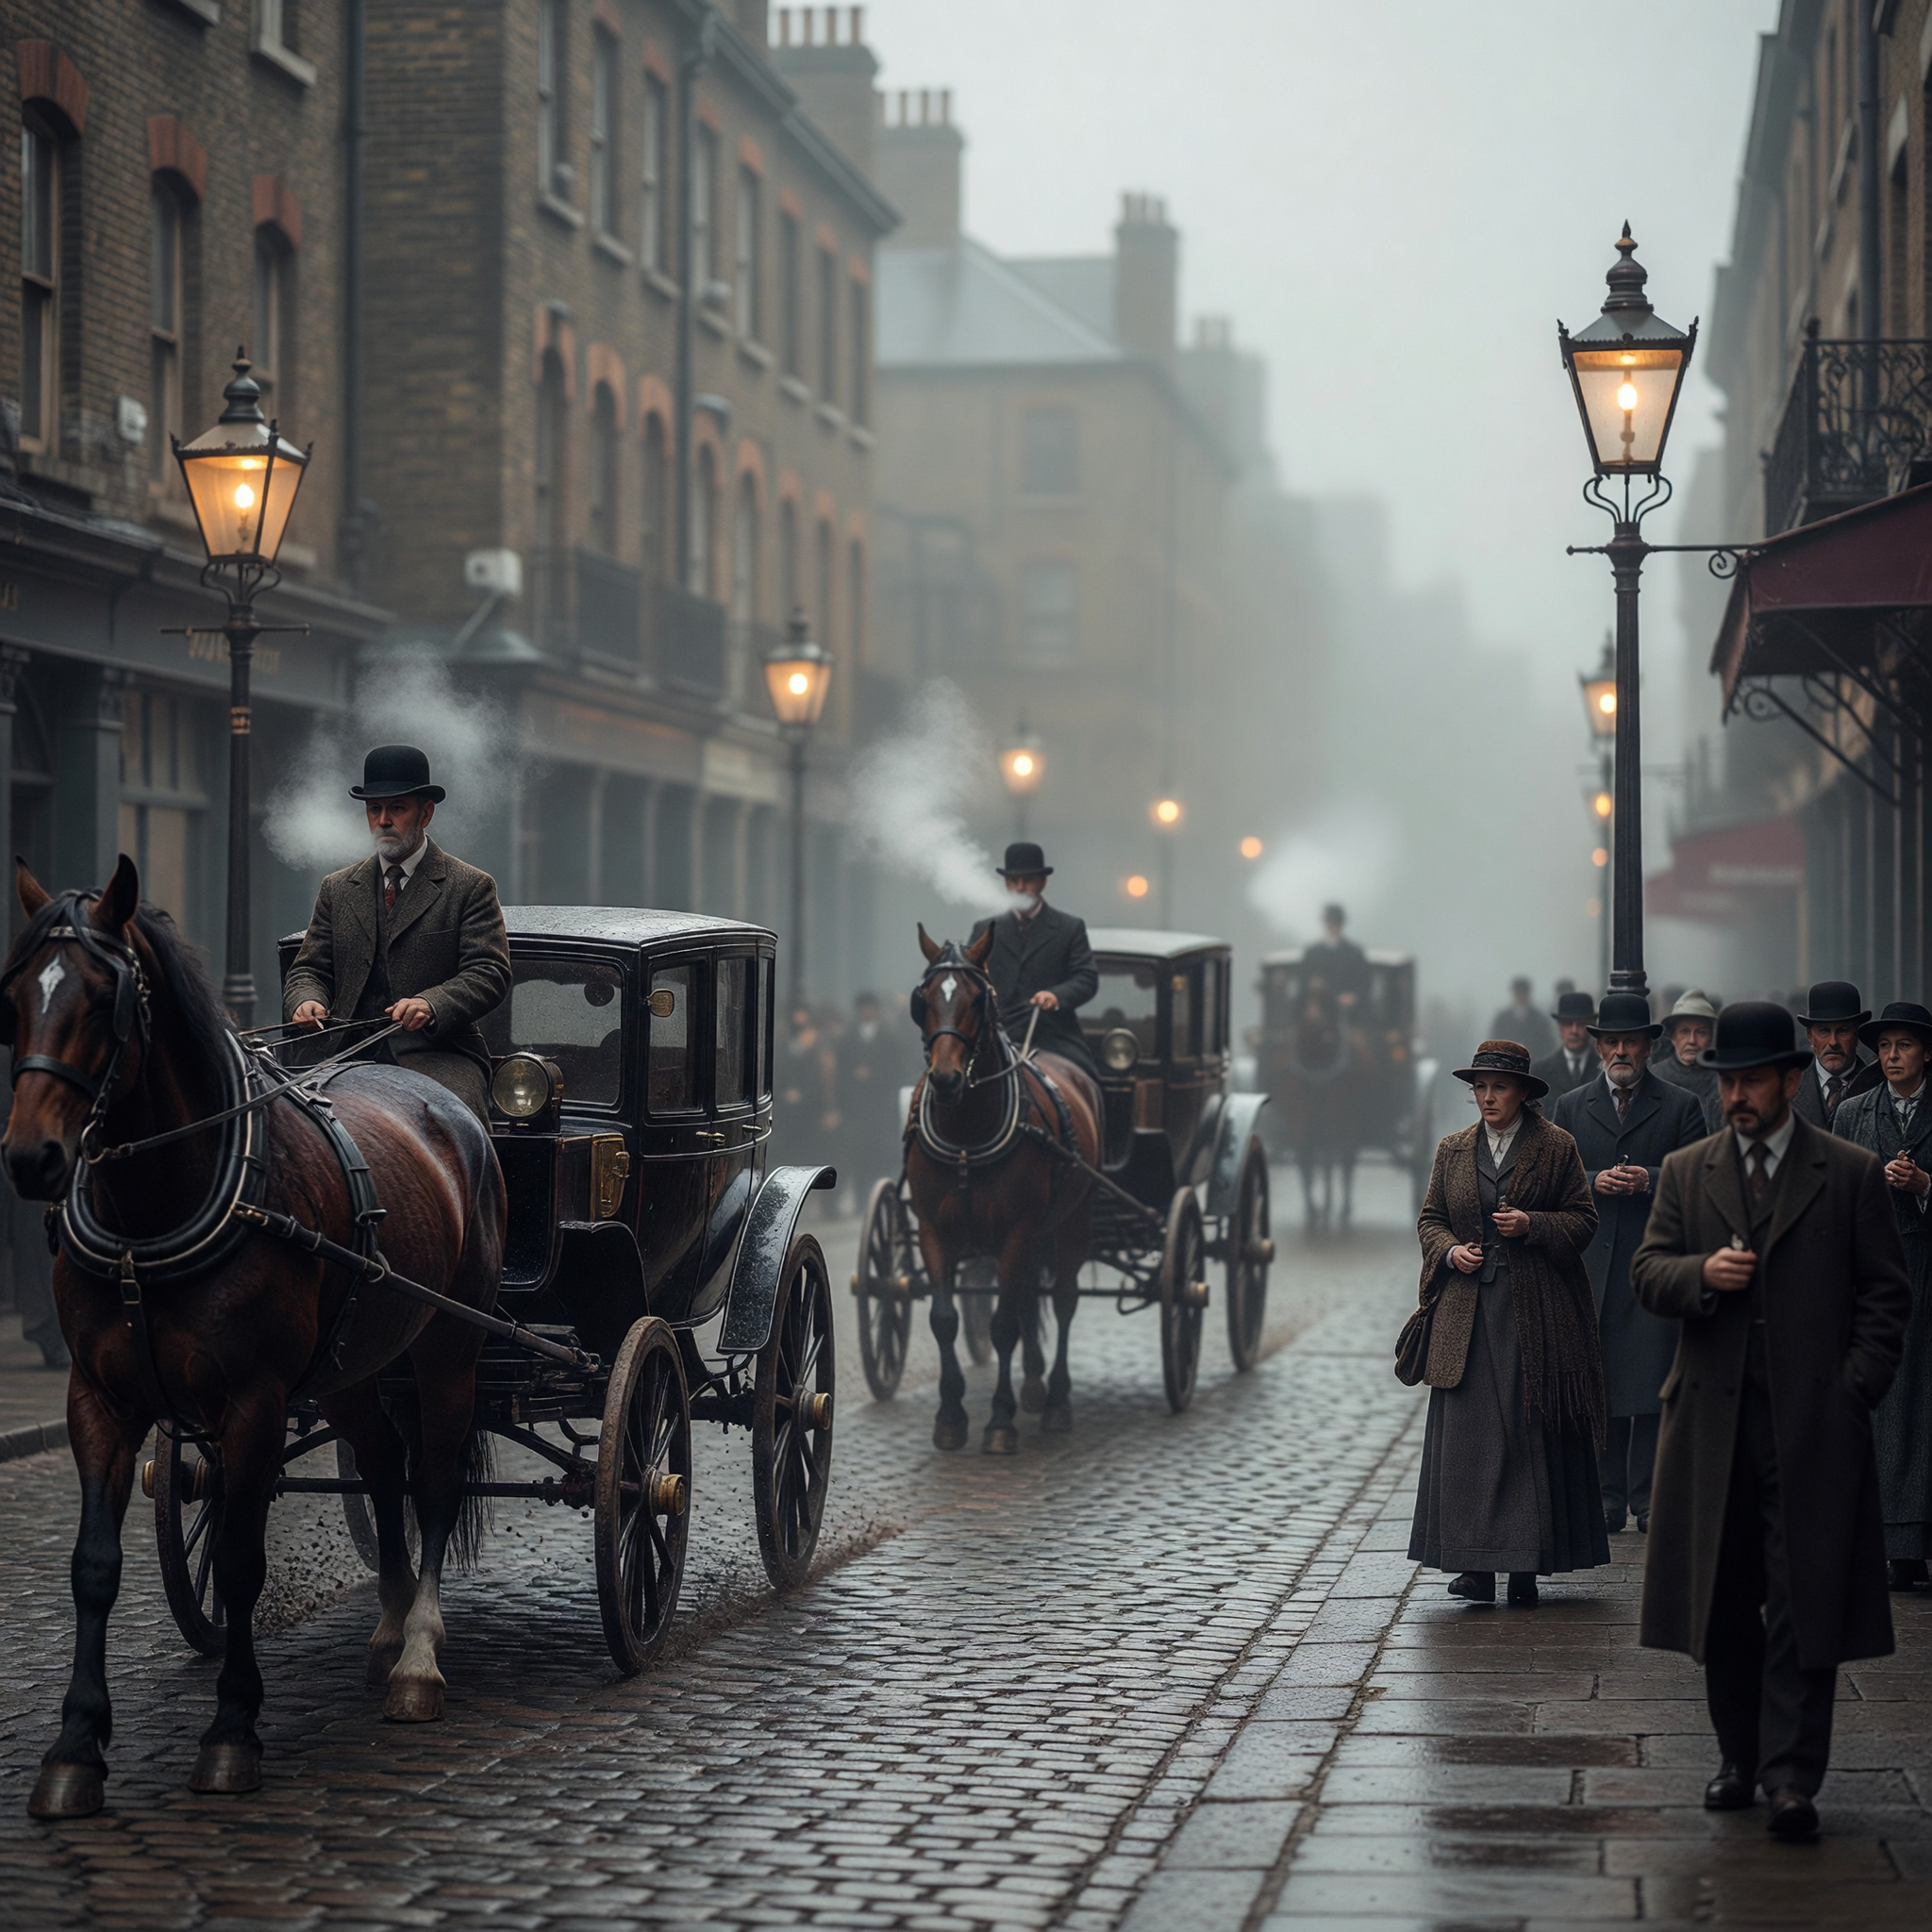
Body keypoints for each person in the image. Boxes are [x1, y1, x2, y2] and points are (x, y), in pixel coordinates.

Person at [1631, 1001, 1909, 1840]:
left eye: (1752, 1079)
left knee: (1804, 1600)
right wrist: (1700, 1275)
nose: (1736, 1096)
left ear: (1791, 1079)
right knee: (1722, 1599)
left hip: (1814, 1428)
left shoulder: (1850, 1171)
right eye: (1726, 1082)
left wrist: (1851, 1387)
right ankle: (1739, 1760)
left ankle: (1793, 1778)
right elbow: (1648, 1273)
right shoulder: (1687, 1171)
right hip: (1712, 1428)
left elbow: (1887, 1295)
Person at [1407, 1041, 1608, 1607]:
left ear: (1523, 1093)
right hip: (1466, 1315)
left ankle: (1526, 1568)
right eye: (1480, 1087)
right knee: (1470, 1442)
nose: (1488, 1097)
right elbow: (1431, 1219)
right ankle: (1475, 1568)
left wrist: (1533, 1224)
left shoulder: (1555, 1147)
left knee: (1527, 1435)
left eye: (1499, 1087)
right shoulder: (1452, 1150)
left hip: (1537, 1312)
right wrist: (1449, 1253)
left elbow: (1583, 1218)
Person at [284, 744, 511, 1123]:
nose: (384, 820)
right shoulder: (337, 888)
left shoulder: (469, 886)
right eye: (375, 809)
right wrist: (305, 1000)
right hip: (341, 1053)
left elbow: (489, 972)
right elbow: (309, 969)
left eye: (397, 808)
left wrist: (432, 1004)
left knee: (455, 1125)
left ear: (426, 813)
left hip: (437, 1054)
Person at [1553, 991, 1707, 1537]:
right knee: (1601, 1382)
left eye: (1631, 1042)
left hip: (1653, 1259)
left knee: (1652, 1384)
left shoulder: (1682, 1104)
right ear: (1599, 1047)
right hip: (1592, 1264)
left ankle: (1647, 1498)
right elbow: (1553, 1179)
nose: (1621, 1051)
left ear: (1647, 1047)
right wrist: (1594, 1181)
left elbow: (1699, 1178)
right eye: (1612, 1042)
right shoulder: (1571, 1106)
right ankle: (1606, 1497)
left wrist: (1649, 1179)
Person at [1832, 1000, 1932, 1592]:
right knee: (1881, 1403)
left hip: (1928, 1269)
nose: (1892, 1057)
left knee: (1922, 1407)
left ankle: (1915, 1538)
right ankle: (1889, 1542)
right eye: (1886, 1046)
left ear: (1926, 1052)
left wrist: (1925, 1187)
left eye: (1905, 1046)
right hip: (1873, 1277)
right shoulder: (1853, 1113)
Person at [967, 841, 1099, 1080]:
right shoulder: (985, 929)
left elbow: (1086, 978)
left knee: (1088, 1080)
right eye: (1014, 881)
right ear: (1006, 884)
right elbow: (968, 982)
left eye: (1027, 880)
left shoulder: (1069, 928)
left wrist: (1056, 995)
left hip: (1053, 1035)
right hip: (994, 1036)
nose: (1020, 888)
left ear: (1042, 882)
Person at [1790, 980, 1880, 1128]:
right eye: (1824, 1031)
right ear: (1810, 1036)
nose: (1833, 1042)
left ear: (1857, 1034)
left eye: (1843, 1030)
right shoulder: (1789, 1091)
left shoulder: (1879, 1089)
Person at [1654, 989, 1723, 1132]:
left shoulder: (1721, 1079)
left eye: (1701, 1032)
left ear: (1710, 1038)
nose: (1692, 1040)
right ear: (1672, 1036)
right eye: (1684, 1031)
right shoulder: (1655, 1076)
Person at [1302, 903, 1371, 1010]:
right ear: (1325, 923)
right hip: (1319, 1013)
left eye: (1336, 923)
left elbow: (1364, 983)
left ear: (1342, 924)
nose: (1333, 927)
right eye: (1330, 922)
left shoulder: (1354, 953)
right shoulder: (1312, 954)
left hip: (1350, 1012)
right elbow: (1303, 982)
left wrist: (1353, 996)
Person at [1531, 991, 1597, 1099]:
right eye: (1568, 1024)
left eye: (1580, 1024)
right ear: (1560, 1027)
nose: (1574, 1031)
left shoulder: (1605, 1071)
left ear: (1591, 1027)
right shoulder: (1540, 1072)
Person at [1489, 977, 1557, 1060]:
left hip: (1533, 1064)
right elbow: (1494, 1041)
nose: (1520, 996)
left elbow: (1548, 1044)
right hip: (1507, 1064)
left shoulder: (1540, 1019)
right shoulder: (1502, 1019)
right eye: (1518, 993)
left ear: (1528, 994)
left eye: (1523, 993)